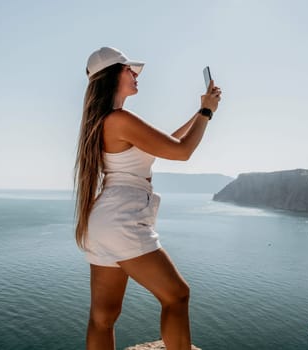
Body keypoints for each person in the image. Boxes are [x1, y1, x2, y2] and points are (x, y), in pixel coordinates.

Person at [74, 47, 222, 350]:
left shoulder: (104, 120)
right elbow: (181, 152)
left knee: (103, 317)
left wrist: (201, 113)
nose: (136, 74)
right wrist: (206, 113)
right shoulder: (119, 119)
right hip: (122, 217)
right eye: (130, 69)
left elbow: (168, 142)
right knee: (177, 294)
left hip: (103, 220)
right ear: (114, 74)